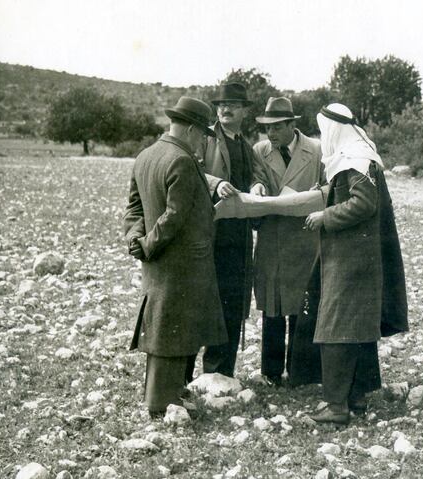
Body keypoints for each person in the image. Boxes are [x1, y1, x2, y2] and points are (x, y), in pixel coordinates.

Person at [123, 96, 228, 418]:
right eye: (202, 135)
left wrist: (136, 240)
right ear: (193, 129)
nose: (202, 142)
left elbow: (134, 208)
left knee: (162, 327)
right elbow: (174, 215)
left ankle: (163, 394)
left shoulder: (146, 156)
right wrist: (151, 243)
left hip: (157, 263)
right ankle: (164, 401)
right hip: (181, 261)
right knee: (175, 330)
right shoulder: (181, 160)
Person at [304, 103, 408, 425]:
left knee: (335, 328)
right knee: (356, 327)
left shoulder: (355, 159)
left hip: (349, 259)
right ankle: (356, 397)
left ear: (333, 130)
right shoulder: (360, 156)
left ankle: (336, 406)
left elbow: (363, 203)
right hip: (360, 257)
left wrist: (325, 216)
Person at [198, 83, 270, 378]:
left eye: (233, 105)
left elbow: (255, 174)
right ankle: (201, 376)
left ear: (245, 111)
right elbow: (188, 168)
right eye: (221, 104)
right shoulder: (204, 138)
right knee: (206, 301)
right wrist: (215, 183)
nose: (225, 109)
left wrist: (257, 185)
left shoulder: (245, 144)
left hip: (239, 235)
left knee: (234, 301)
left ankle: (223, 373)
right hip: (211, 232)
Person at [252, 97, 324, 387]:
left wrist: (309, 198)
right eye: (267, 128)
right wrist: (255, 187)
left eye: (278, 127)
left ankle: (300, 372)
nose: (271, 133)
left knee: (300, 305)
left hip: (304, 239)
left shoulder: (317, 151)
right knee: (271, 305)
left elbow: (327, 186)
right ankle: (270, 373)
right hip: (271, 238)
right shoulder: (259, 151)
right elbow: (256, 180)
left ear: (293, 125)